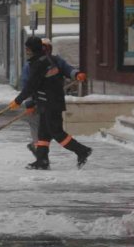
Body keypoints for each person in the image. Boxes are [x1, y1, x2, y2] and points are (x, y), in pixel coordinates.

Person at [10, 36, 92, 170]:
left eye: (27, 49)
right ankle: (42, 161)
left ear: (33, 49)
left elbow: (30, 85)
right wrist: (29, 102)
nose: (26, 51)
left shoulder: (38, 64)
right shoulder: (48, 60)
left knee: (57, 132)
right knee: (43, 133)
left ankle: (82, 150)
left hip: (50, 103)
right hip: (47, 102)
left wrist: (18, 101)